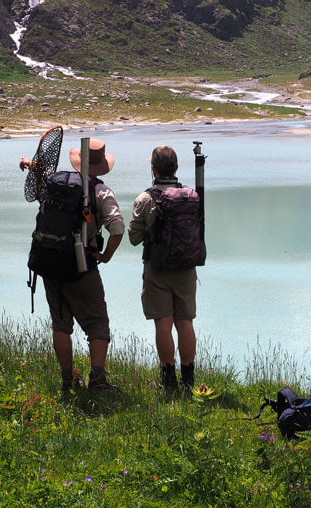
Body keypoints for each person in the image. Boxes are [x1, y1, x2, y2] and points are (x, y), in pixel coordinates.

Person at [19, 139, 124, 393]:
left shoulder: (55, 181)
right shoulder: (101, 192)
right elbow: (118, 228)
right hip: (81, 266)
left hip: (49, 263)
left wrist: (27, 162)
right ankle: (97, 381)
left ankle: (68, 380)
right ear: (101, 166)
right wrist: (106, 255)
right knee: (97, 323)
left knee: (61, 324)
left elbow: (41, 169)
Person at [128, 146, 198, 395]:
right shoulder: (191, 196)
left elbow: (133, 238)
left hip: (157, 268)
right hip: (186, 268)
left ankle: (168, 382)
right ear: (176, 168)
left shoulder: (145, 199)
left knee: (163, 323)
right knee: (185, 322)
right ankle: (189, 382)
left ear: (153, 168)